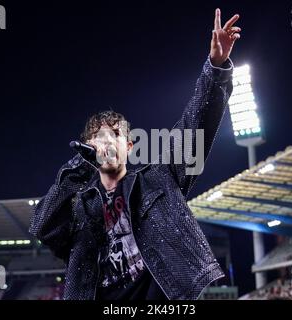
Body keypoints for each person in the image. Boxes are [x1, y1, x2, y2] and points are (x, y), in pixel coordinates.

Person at [29, 8, 241, 300]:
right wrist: (79, 168)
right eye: (98, 136)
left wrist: (216, 68)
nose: (107, 142)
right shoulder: (77, 206)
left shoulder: (159, 178)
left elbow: (194, 127)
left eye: (115, 134)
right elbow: (42, 226)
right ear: (87, 146)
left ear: (129, 146)